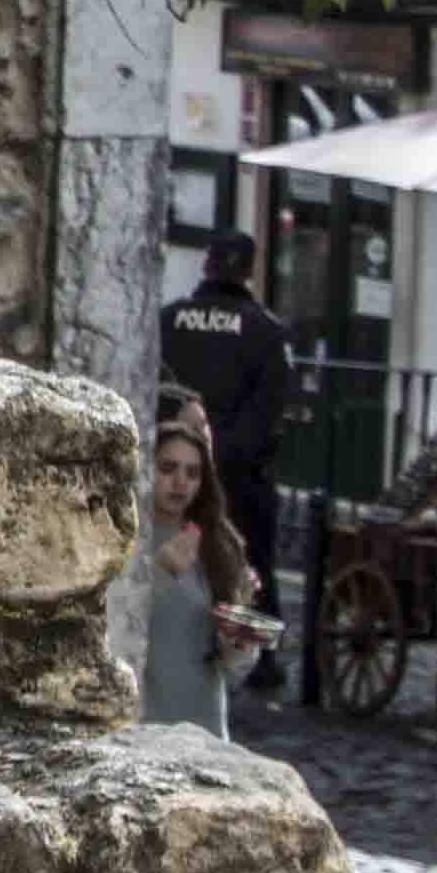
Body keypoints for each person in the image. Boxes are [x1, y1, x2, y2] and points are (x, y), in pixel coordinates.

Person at [159, 236, 296, 674]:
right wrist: (225, 460)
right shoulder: (266, 331)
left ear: (207, 266)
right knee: (250, 562)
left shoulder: (169, 319)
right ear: (249, 273)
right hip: (239, 474)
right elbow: (271, 412)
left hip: (171, 464)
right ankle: (259, 657)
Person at [138, 411, 267, 732]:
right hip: (142, 722)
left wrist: (239, 639)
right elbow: (114, 621)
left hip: (203, 723)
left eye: (193, 473)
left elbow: (235, 669)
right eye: (168, 468)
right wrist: (162, 569)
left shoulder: (218, 542)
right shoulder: (127, 535)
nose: (180, 482)